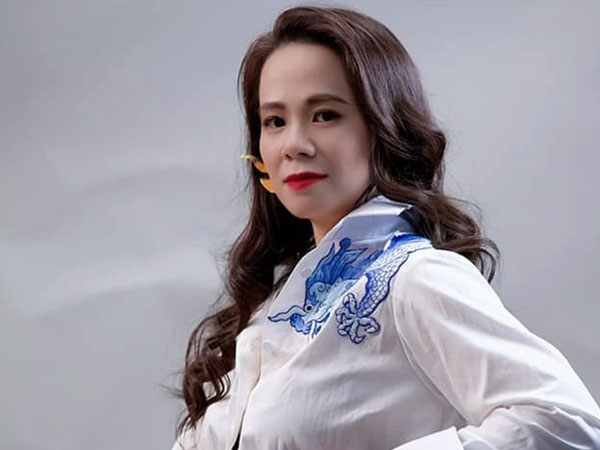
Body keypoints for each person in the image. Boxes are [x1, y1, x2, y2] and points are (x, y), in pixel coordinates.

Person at [171, 6, 600, 449]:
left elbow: (566, 421)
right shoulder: (267, 311)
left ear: (383, 126)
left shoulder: (415, 279)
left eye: (325, 115)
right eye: (275, 121)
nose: (294, 145)